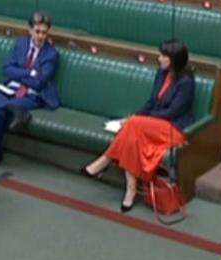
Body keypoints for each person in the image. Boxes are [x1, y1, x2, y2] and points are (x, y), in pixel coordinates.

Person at [81, 40, 194, 212]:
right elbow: (151, 102)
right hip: (154, 124)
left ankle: (103, 162)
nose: (159, 59)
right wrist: (135, 117)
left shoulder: (186, 81)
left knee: (133, 126)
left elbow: (173, 111)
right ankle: (130, 189)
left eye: (163, 56)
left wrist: (140, 121)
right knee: (132, 132)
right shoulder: (161, 74)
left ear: (174, 59)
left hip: (174, 128)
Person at [0, 12, 59, 172]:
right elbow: (7, 70)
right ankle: (14, 110)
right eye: (37, 31)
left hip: (32, 95)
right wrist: (30, 72)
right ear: (30, 30)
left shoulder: (52, 54)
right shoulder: (21, 44)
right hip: (11, 90)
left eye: (44, 32)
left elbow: (39, 82)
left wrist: (21, 74)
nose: (40, 36)